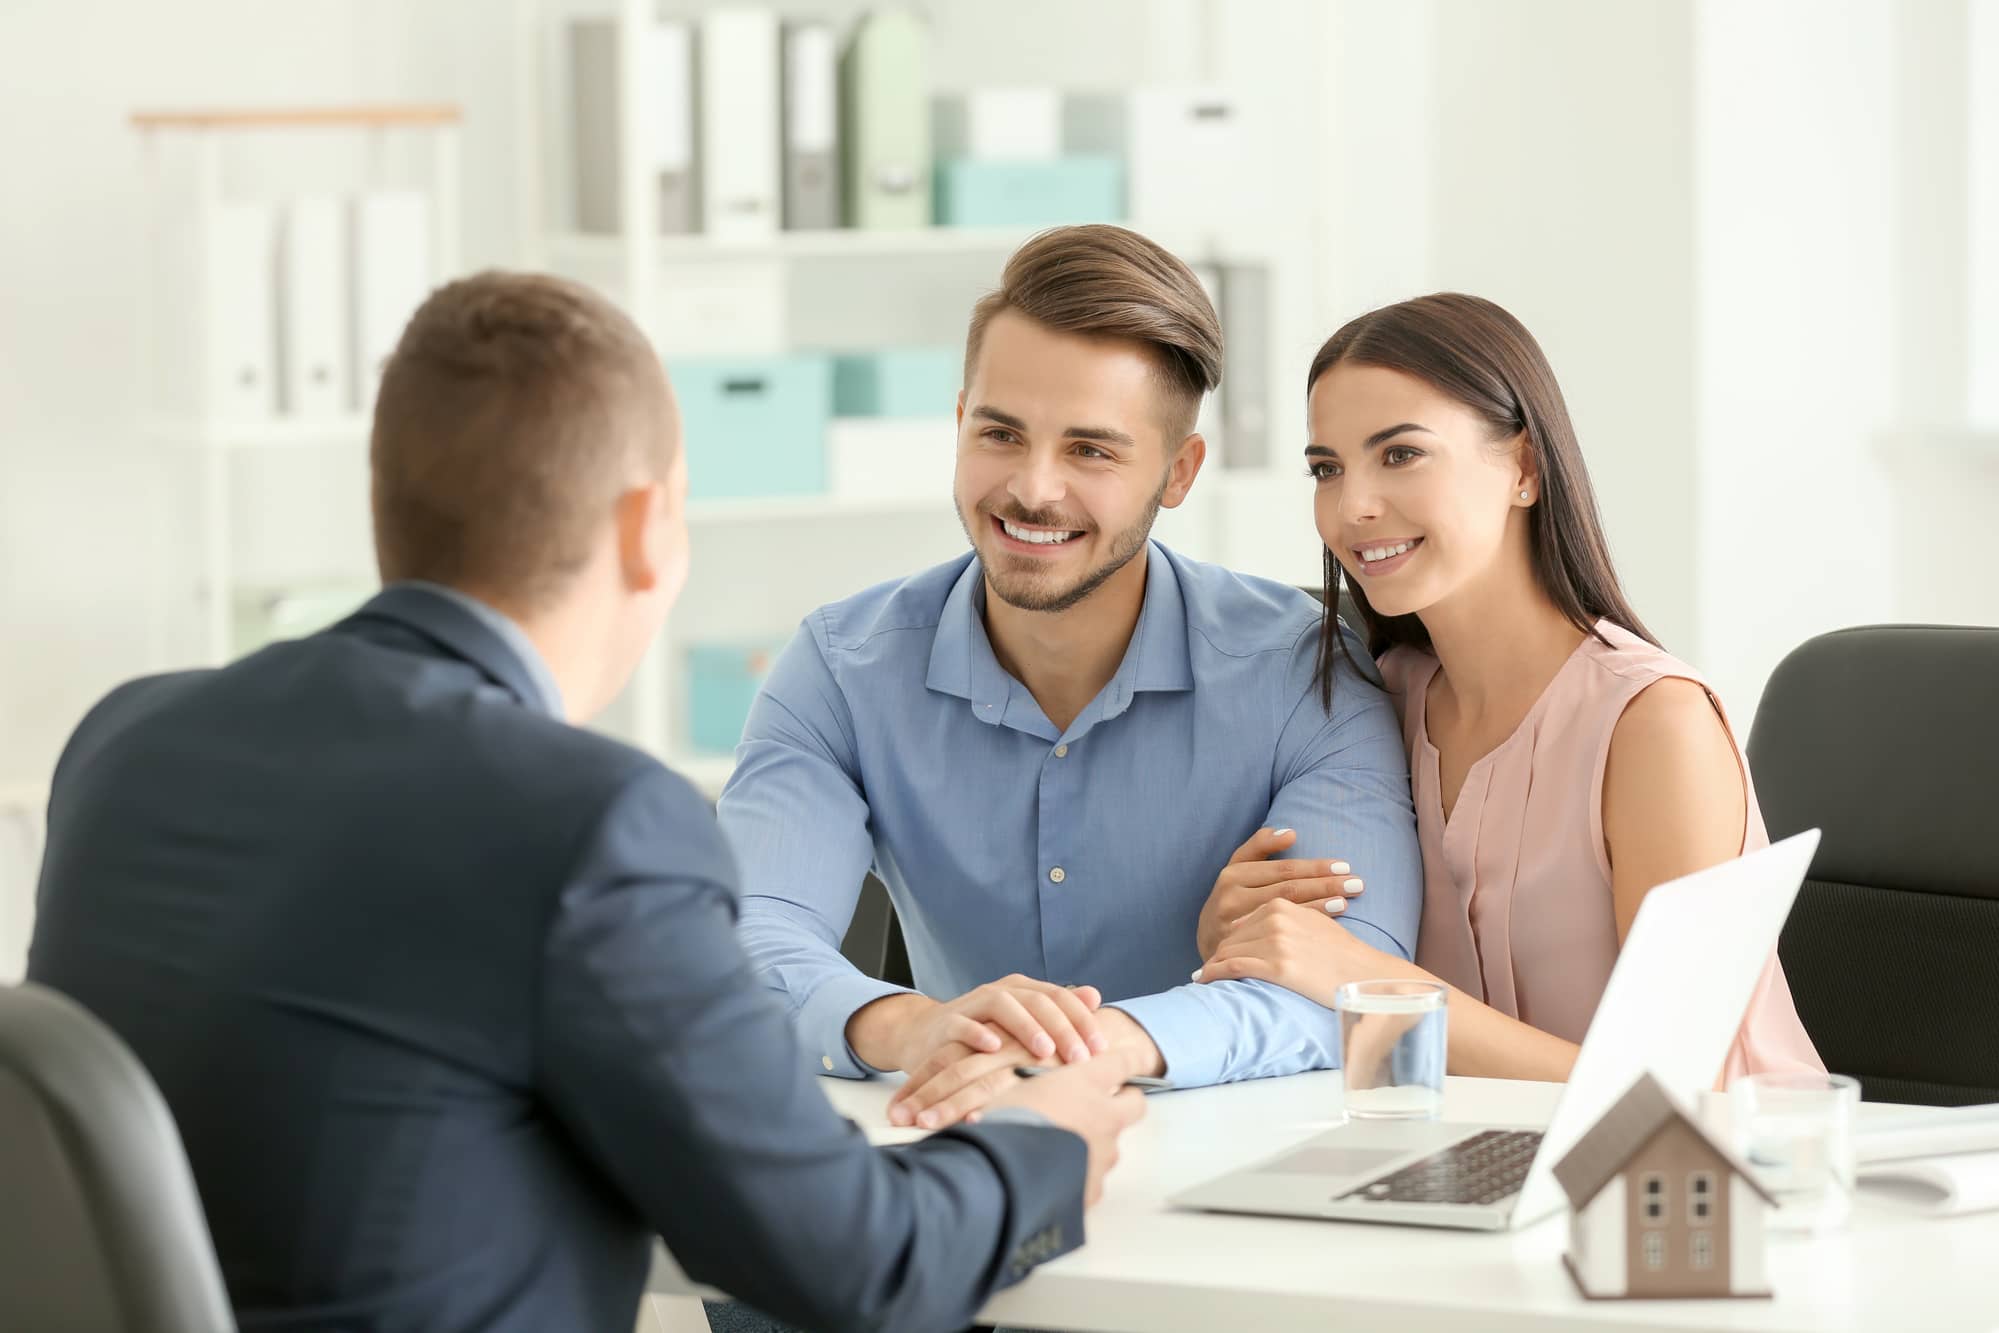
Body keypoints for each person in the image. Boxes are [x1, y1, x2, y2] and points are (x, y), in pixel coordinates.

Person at [27, 271, 1149, 1333]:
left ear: (387, 504)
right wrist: (1041, 1139)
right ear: (643, 524)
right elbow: (856, 1263)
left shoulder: (128, 740)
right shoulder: (593, 822)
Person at [719, 224, 1424, 1133]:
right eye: (1000, 433)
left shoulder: (1305, 675)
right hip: (958, 1165)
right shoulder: (843, 667)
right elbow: (740, 939)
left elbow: (1354, 981)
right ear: (959, 417)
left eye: (1090, 450)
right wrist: (917, 1024)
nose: (1032, 488)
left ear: (1178, 472)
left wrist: (1096, 1046)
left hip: (1230, 1187)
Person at [1192, 292, 1824, 1082]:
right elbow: (1318, 989)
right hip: (1463, 1169)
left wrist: (1368, 985)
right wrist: (1241, 929)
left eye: (1400, 454)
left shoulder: (1653, 725)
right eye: (1327, 468)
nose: (1351, 506)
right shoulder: (1369, 702)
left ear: (1522, 467)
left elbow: (1675, 1087)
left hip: (1700, 1184)